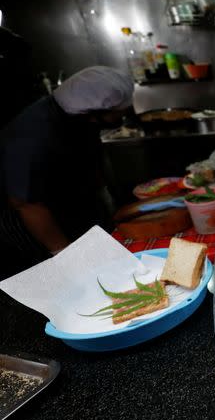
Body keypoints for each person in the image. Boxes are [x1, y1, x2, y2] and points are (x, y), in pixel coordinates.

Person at [0, 66, 133, 277]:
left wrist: (107, 204)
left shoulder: (77, 117)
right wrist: (65, 254)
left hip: (69, 206)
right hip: (36, 223)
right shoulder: (32, 136)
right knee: (70, 279)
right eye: (117, 114)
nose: (123, 117)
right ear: (94, 113)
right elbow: (27, 204)